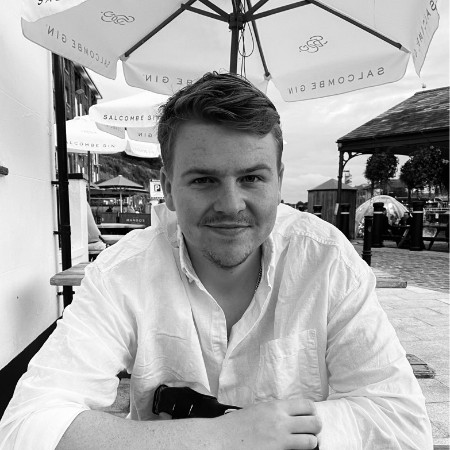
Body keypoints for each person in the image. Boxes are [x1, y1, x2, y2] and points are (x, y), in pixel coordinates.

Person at [0, 73, 432, 449]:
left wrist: (272, 431)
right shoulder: (122, 273)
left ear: (279, 180)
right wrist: (221, 437)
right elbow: (27, 426)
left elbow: (402, 424)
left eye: (252, 178)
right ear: (169, 188)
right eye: (204, 179)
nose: (231, 205)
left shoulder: (326, 260)